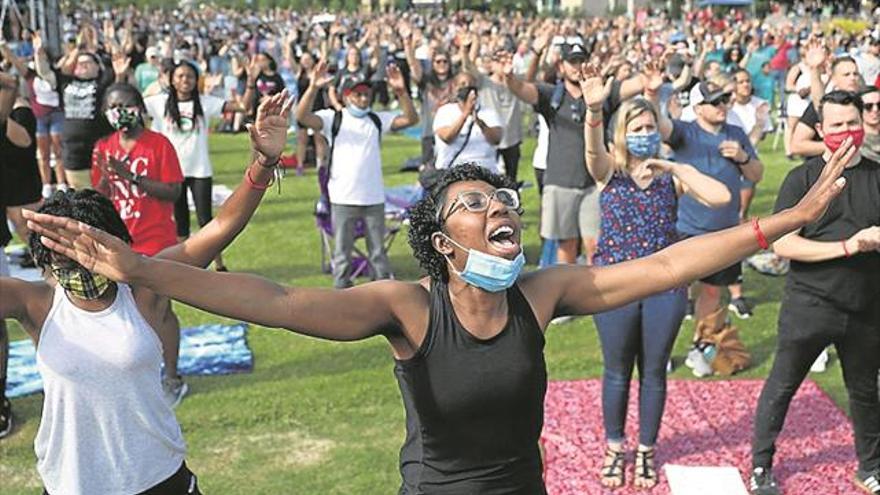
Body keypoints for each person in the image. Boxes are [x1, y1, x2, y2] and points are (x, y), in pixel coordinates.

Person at [27, 141, 849, 494]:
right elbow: (275, 302)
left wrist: (782, 220)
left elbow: (668, 264)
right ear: (439, 241)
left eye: (499, 197)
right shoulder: (407, 309)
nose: (497, 206)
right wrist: (138, 267)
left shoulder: (542, 291)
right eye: (472, 202)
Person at [1, 91, 292, 492]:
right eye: (62, 251)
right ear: (44, 257)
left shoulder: (143, 286)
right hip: (73, 483)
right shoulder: (36, 303)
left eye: (87, 247)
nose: (77, 263)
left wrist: (264, 162)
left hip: (158, 477)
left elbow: (219, 229)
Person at [582, 66, 731, 489]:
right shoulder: (610, 172)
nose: (645, 132)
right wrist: (594, 111)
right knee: (616, 371)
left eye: (650, 125)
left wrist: (674, 166)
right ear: (622, 133)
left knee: (654, 372)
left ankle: (646, 450)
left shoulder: (670, 176)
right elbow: (593, 154)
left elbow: (719, 198)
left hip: (665, 286)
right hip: (615, 285)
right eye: (637, 126)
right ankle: (615, 447)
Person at [748, 91, 880, 495]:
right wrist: (847, 246)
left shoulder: (877, 174)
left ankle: (871, 467)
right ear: (821, 131)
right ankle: (760, 466)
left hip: (866, 308)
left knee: (864, 392)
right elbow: (782, 244)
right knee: (782, 386)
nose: (846, 131)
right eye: (836, 125)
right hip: (811, 304)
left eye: (852, 122)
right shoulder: (802, 179)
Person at [654, 80, 764, 374]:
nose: (722, 106)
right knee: (674, 294)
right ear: (698, 108)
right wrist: (654, 93)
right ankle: (660, 350)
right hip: (686, 228)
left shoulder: (736, 133)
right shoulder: (685, 133)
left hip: (725, 230)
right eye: (715, 102)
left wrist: (742, 157)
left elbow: (758, 173)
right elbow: (660, 124)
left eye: (724, 100)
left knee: (713, 294)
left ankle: (699, 346)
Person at [296, 61, 417, 288]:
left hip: (374, 199)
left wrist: (402, 93)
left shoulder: (376, 119)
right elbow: (303, 117)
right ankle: (341, 300)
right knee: (342, 257)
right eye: (358, 93)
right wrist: (312, 88)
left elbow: (411, 119)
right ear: (346, 95)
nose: (364, 98)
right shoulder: (335, 118)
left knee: (378, 256)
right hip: (343, 198)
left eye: (367, 94)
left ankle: (383, 298)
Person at [144, 60, 257, 272]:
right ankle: (183, 266)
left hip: (199, 170)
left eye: (189, 76)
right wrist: (121, 77)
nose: (185, 80)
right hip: (171, 172)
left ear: (196, 80)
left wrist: (250, 82)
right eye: (180, 76)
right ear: (172, 80)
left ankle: (219, 265)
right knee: (181, 223)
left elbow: (243, 107)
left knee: (207, 221)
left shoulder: (204, 103)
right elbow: (131, 105)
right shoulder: (159, 103)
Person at [504, 43, 600, 265]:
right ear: (561, 66)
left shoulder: (598, 93)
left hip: (594, 182)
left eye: (581, 60)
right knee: (566, 246)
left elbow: (631, 88)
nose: (577, 66)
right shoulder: (552, 94)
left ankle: (596, 297)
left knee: (595, 246)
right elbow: (522, 89)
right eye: (572, 61)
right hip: (561, 180)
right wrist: (509, 77)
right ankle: (568, 296)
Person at [34, 33, 128, 190]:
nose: (82, 65)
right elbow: (44, 72)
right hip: (72, 150)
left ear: (98, 67)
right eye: (79, 63)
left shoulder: (102, 81)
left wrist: (112, 41)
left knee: (103, 194)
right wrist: (38, 52)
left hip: (100, 146)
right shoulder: (66, 82)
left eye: (88, 62)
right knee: (81, 196)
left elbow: (118, 63)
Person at [0, 72, 42, 265]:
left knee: (27, 229)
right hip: (9, 177)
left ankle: (46, 264)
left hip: (22, 178)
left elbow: (24, 141)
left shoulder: (21, 110)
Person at [791, 45, 862, 158]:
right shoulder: (825, 105)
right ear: (833, 78)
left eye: (855, 74)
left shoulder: (869, 103)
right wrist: (836, 145)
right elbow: (797, 146)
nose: (852, 78)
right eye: (846, 75)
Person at [403, 25, 456, 167]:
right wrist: (408, 44)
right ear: (433, 64)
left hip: (451, 132)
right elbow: (413, 66)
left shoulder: (455, 81)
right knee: (429, 174)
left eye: (445, 61)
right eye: (438, 61)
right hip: (429, 132)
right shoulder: (426, 81)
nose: (442, 64)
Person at [432, 73, 503, 171]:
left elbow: (496, 139)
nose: (467, 87)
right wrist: (465, 114)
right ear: (454, 87)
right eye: (462, 84)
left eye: (470, 84)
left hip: (485, 169)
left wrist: (480, 123)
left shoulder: (489, 113)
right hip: (453, 169)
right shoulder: (444, 112)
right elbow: (447, 137)